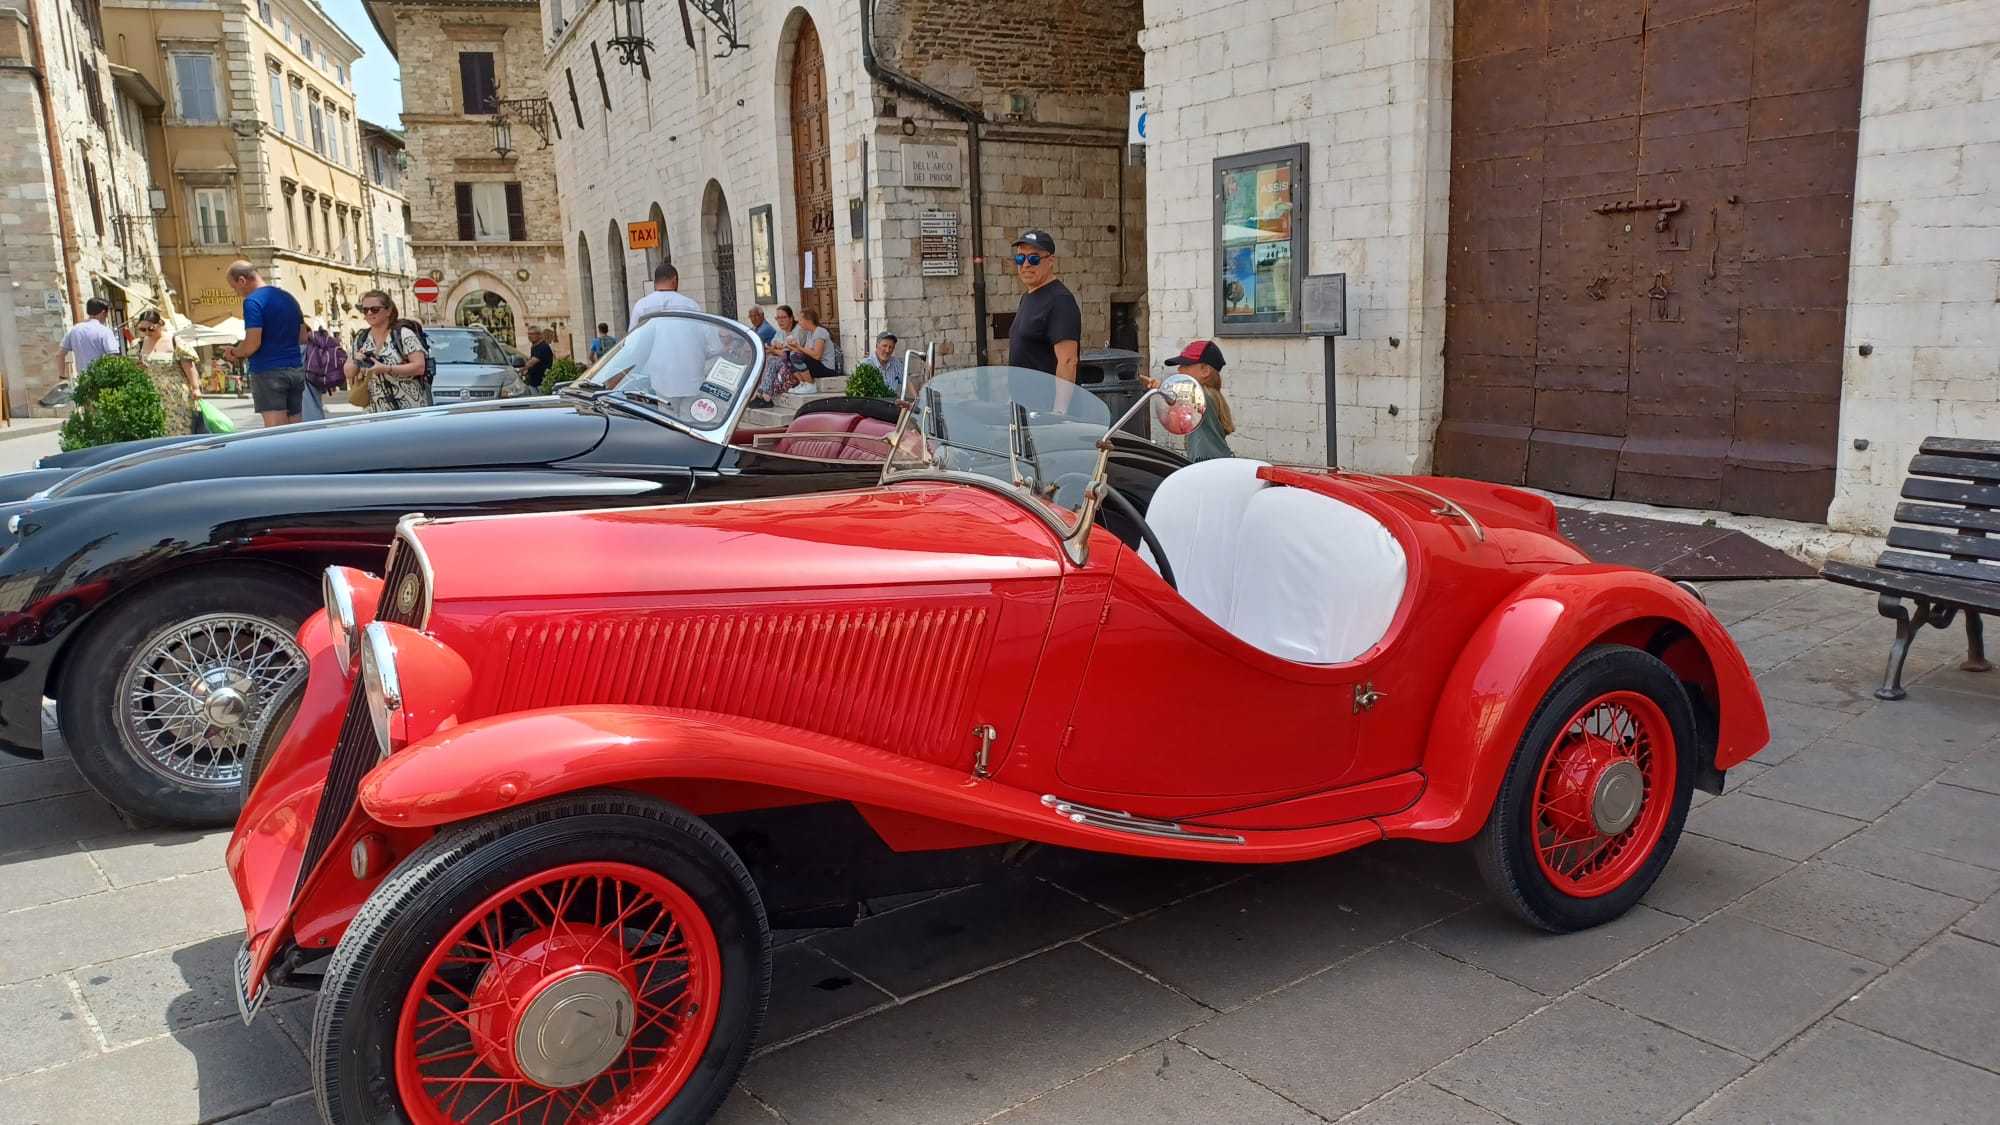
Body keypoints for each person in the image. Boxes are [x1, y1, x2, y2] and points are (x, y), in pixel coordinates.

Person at [220, 260, 309, 427]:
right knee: (296, 427)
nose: (236, 292)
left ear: (242, 280)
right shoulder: (288, 297)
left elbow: (252, 344)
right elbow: (303, 337)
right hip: (295, 368)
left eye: (234, 287)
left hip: (268, 372)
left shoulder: (253, 302)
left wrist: (234, 353)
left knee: (276, 432)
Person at [1005, 230, 1081, 413]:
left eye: (1034, 259)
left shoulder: (1060, 300)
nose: (1026, 265)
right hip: (1025, 409)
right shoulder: (1028, 297)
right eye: (1020, 259)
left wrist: (1059, 411)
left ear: (1051, 261)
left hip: (1046, 412)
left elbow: (1068, 360)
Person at [1143, 340, 1236, 462]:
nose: (1180, 369)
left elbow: (1183, 399)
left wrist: (1162, 386)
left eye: (1186, 365)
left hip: (1209, 463)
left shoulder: (1204, 396)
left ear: (1205, 371)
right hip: (1214, 460)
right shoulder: (1211, 395)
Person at [342, 290, 430, 412]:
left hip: (407, 408)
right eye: (365, 309)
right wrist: (356, 360)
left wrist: (387, 369)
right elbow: (349, 373)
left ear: (388, 311)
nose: (369, 313)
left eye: (375, 309)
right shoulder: (361, 338)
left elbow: (420, 367)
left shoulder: (402, 334)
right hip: (373, 412)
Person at [132, 310, 201, 436]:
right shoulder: (138, 345)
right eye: (143, 329)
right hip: (149, 394)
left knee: (179, 428)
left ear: (160, 323)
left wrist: (195, 388)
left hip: (176, 394)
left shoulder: (175, 341)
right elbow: (132, 368)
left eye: (151, 329)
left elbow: (189, 367)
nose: (147, 332)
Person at [752, 304, 805, 407]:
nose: (780, 321)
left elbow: (792, 352)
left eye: (783, 318)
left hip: (795, 363)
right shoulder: (780, 332)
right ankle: (761, 394)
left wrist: (777, 350)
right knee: (767, 360)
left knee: (772, 361)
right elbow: (773, 347)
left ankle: (766, 396)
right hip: (782, 361)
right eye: (778, 318)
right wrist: (776, 349)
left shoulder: (798, 331)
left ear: (791, 318)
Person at [57, 297, 122, 380]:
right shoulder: (105, 331)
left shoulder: (74, 330)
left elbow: (59, 354)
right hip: (103, 380)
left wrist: (62, 377)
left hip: (83, 380)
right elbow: (113, 356)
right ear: (103, 312)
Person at [630, 261, 701, 324]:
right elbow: (704, 334)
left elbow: (632, 336)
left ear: (655, 283)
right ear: (674, 280)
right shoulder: (691, 306)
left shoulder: (641, 306)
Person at [785, 308, 839, 390]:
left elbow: (817, 355)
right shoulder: (810, 333)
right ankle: (802, 383)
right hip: (816, 364)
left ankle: (810, 385)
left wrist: (798, 347)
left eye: (800, 320)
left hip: (826, 368)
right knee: (786, 355)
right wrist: (792, 346)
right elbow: (805, 352)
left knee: (795, 356)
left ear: (808, 321)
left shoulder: (820, 332)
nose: (799, 323)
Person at [873, 332, 906, 396]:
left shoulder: (896, 363)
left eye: (891, 347)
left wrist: (916, 402)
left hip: (892, 404)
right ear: (877, 345)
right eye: (884, 346)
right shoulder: (865, 365)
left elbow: (907, 381)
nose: (888, 350)